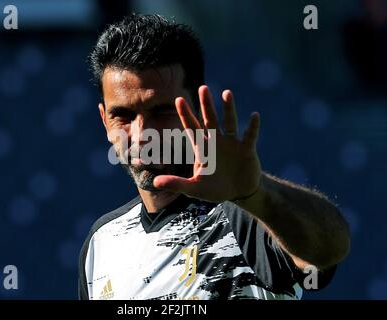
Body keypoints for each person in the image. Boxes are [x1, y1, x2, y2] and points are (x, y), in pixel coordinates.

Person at [78, 14, 350, 300]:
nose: (142, 132)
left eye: (161, 111)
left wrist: (256, 195)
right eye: (122, 115)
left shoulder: (245, 215)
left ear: (196, 106)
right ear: (104, 120)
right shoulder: (102, 242)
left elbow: (330, 248)